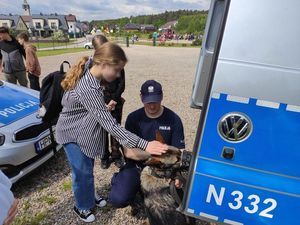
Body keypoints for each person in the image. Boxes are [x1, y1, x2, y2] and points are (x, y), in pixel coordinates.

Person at [56, 42, 167, 223]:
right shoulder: (89, 87)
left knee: (88, 168)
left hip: (85, 131)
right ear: (104, 64)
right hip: (72, 134)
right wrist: (146, 144)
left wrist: (102, 108)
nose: (117, 75)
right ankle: (81, 206)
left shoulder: (90, 69)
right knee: (82, 172)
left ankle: (89, 195)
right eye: (116, 70)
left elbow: (89, 107)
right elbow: (112, 127)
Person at [109, 80, 185, 208]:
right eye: (148, 102)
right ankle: (119, 179)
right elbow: (128, 152)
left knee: (178, 201)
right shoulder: (134, 118)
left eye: (155, 101)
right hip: (137, 165)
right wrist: (151, 151)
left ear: (161, 97)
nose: (152, 106)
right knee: (118, 199)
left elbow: (180, 152)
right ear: (141, 97)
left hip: (164, 167)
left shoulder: (174, 119)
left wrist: (178, 175)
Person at [91, 35, 125, 169]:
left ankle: (116, 154)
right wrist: (101, 103)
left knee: (115, 129)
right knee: (102, 131)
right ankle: (104, 156)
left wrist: (114, 100)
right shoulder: (93, 65)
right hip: (100, 103)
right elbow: (91, 87)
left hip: (115, 101)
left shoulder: (116, 62)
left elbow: (121, 84)